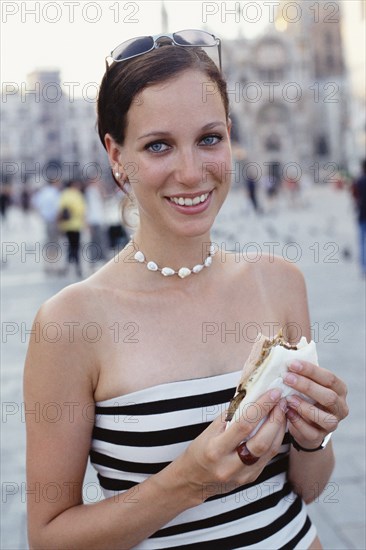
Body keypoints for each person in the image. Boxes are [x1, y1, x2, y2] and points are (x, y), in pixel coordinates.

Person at [24, 30, 348, 549]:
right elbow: (48, 538)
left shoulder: (281, 282)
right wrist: (188, 482)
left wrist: (315, 437)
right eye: (158, 146)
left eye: (209, 138)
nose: (192, 172)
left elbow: (307, 490)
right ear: (116, 155)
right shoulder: (71, 322)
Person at [32, 178, 61, 272]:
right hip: (53, 220)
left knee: (48, 242)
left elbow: (35, 203)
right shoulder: (54, 193)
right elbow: (58, 208)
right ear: (54, 182)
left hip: (46, 220)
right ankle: (54, 265)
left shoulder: (43, 192)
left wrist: (42, 214)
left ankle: (47, 264)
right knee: (54, 243)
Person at [58, 178, 86, 277]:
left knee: (70, 245)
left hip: (66, 225)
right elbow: (82, 210)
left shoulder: (64, 194)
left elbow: (61, 209)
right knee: (76, 246)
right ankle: (77, 267)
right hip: (76, 225)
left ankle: (68, 265)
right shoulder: (77, 195)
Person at [84, 179, 107, 266]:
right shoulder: (89, 191)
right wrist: (87, 221)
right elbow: (87, 207)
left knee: (102, 240)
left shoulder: (98, 190)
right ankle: (94, 259)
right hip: (93, 220)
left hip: (100, 219)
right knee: (94, 241)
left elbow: (104, 199)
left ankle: (101, 258)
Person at [352, 159, 366, 276]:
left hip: (362, 215)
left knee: (362, 243)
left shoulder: (358, 181)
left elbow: (354, 196)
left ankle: (364, 267)